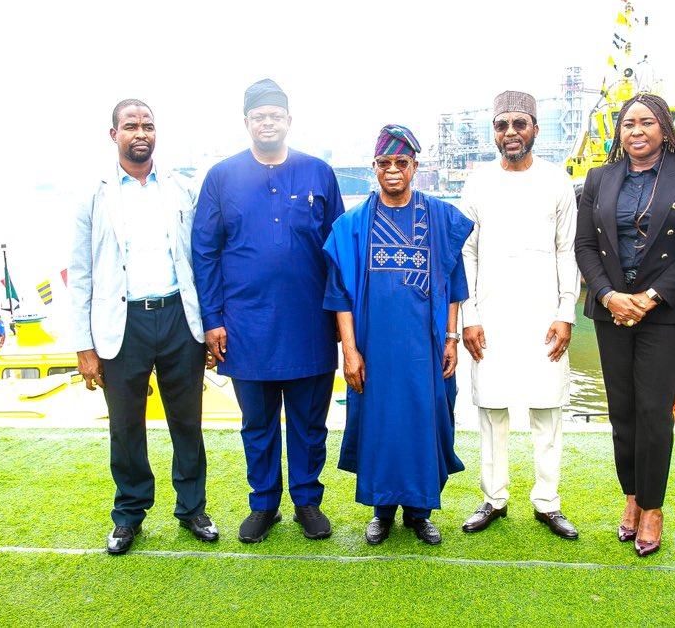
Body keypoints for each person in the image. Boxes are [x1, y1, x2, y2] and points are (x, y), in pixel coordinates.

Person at [192, 79, 344, 544]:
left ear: (289, 121)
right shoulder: (222, 177)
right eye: (259, 116)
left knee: (309, 424)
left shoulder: (318, 173)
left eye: (275, 115)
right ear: (246, 122)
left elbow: (340, 251)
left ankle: (307, 502)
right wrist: (213, 320)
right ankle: (264, 504)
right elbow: (204, 253)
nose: (267, 123)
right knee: (257, 425)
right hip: (246, 326)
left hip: (310, 325)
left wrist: (342, 323)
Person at [574, 92, 675, 557]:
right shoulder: (599, 178)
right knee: (621, 410)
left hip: (667, 309)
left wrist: (650, 297)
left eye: (646, 122)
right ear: (618, 133)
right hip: (612, 308)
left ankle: (653, 507)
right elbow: (584, 246)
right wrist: (608, 295)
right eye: (628, 124)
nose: (636, 131)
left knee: (654, 410)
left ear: (664, 128)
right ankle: (632, 496)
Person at [69, 99, 214, 555]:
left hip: (178, 318)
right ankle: (129, 514)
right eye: (130, 126)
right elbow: (81, 274)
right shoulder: (93, 197)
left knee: (187, 421)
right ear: (113, 134)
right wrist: (84, 346)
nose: (140, 133)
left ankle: (192, 508)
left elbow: (201, 260)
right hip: (121, 323)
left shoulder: (181, 189)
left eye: (147, 125)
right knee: (125, 425)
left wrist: (210, 325)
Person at [323, 124, 473, 546]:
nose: (393, 170)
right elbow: (339, 295)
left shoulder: (439, 217)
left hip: (426, 348)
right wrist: (350, 352)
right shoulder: (353, 225)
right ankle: (382, 511)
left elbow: (454, 282)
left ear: (415, 166)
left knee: (427, 422)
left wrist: (451, 338)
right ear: (374, 166)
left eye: (401, 162)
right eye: (384, 162)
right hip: (375, 349)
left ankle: (420, 511)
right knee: (380, 425)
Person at [459, 90, 580, 540]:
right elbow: (466, 253)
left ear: (535, 129)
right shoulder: (478, 183)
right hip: (489, 315)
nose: (510, 132)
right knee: (492, 410)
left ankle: (548, 502)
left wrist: (566, 312)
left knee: (547, 410)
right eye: (501, 125)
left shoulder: (556, 181)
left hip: (544, 316)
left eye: (519, 124)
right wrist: (469, 316)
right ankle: (494, 498)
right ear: (494, 132)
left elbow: (568, 251)